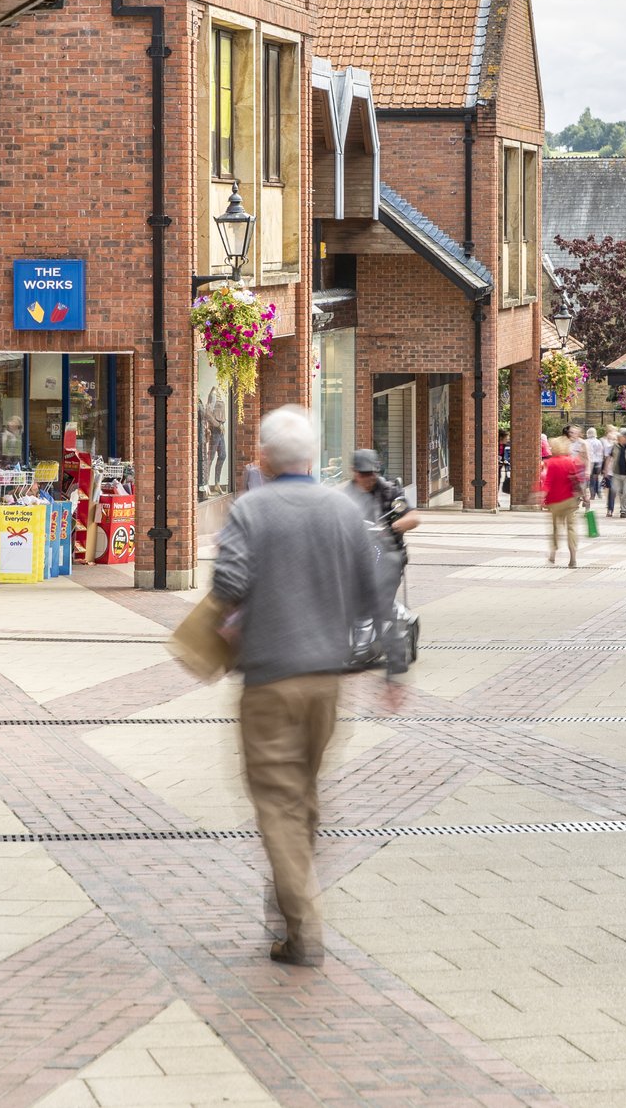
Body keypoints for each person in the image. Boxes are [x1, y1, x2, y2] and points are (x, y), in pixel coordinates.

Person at [210, 407, 409, 967]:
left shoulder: (250, 509)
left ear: (268, 458)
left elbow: (228, 582)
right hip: (326, 683)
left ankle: (302, 927)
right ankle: (289, 911)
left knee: (276, 803)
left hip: (269, 679)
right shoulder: (340, 511)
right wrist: (394, 669)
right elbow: (378, 592)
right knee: (303, 795)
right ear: (310, 458)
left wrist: (226, 620)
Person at [347, 449, 421, 568]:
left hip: (386, 554)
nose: (368, 478)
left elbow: (413, 517)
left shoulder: (388, 491)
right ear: (354, 471)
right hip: (355, 555)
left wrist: (393, 527)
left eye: (371, 473)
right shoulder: (345, 495)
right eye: (363, 474)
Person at [540, 436, 586, 567]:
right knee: (571, 528)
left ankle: (552, 556)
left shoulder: (551, 462)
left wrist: (542, 497)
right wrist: (584, 496)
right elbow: (577, 480)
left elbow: (547, 482)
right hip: (570, 501)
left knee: (555, 528)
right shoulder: (570, 461)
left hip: (555, 502)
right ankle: (573, 558)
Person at [607, 428, 626, 517]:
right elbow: (610, 457)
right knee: (613, 490)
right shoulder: (615, 446)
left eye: (620, 436)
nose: (618, 438)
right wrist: (605, 469)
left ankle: (624, 511)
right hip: (616, 473)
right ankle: (610, 509)